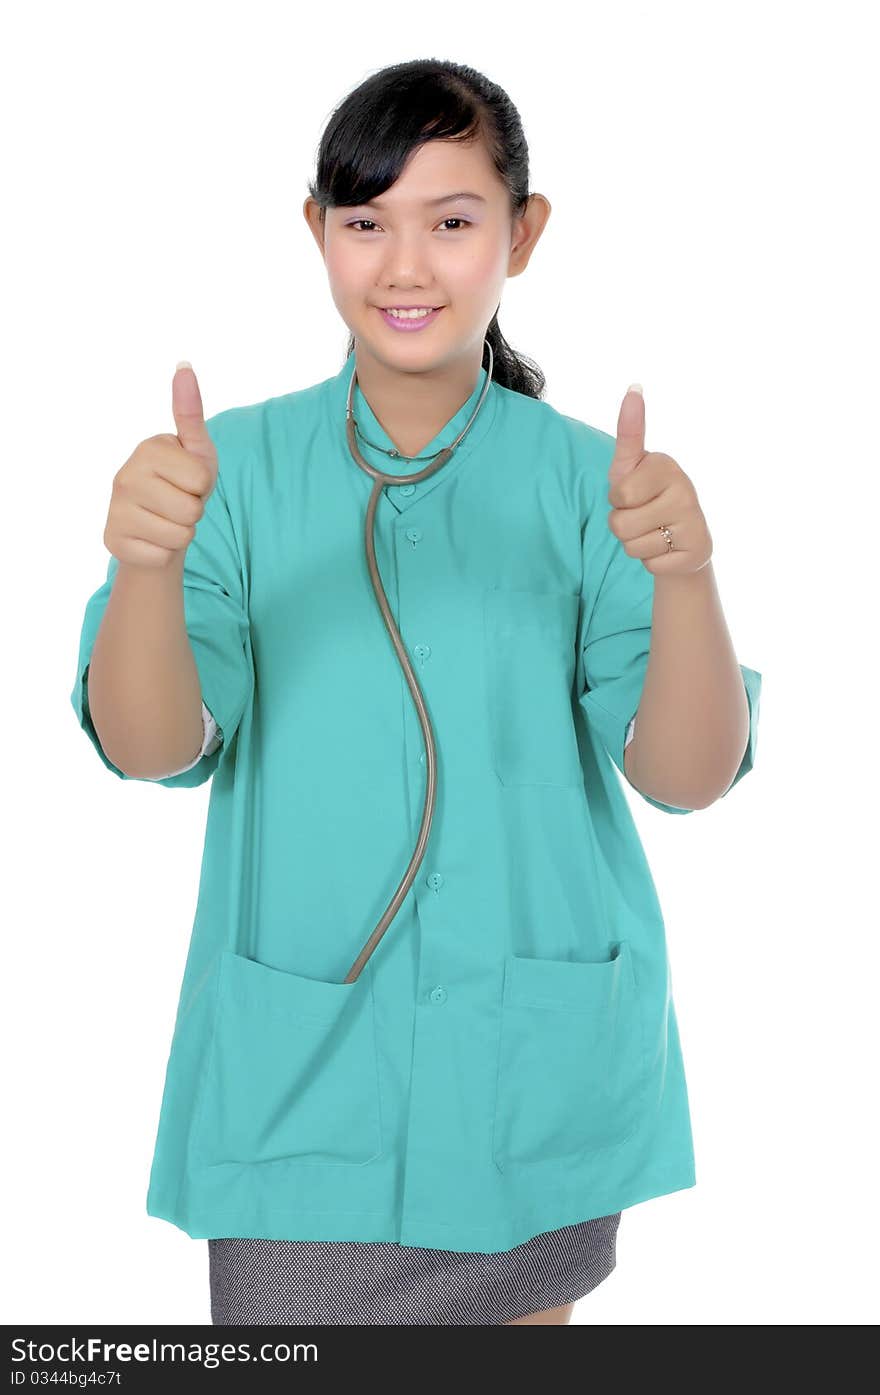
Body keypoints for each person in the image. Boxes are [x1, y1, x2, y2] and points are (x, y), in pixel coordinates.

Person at [70, 58, 761, 1326]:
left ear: (522, 232)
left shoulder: (595, 486)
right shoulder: (225, 474)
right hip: (298, 1092)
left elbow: (685, 779)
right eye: (365, 222)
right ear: (317, 234)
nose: (405, 266)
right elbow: (155, 745)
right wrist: (145, 566)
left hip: (530, 1088)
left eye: (451, 221)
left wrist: (688, 581)